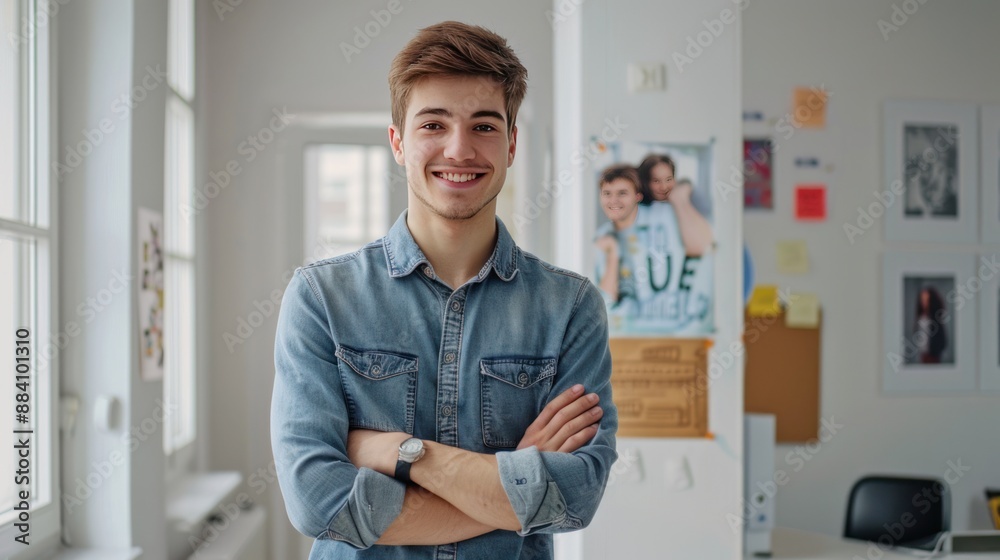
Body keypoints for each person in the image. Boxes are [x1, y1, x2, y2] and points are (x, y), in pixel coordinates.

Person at [271, 21, 618, 560]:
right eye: (434, 124)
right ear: (398, 142)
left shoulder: (570, 307)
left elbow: (576, 497)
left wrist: (402, 453)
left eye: (484, 126)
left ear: (511, 144)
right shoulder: (320, 298)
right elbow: (317, 502)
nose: (459, 150)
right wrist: (514, 489)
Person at [636, 154, 713, 257]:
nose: (664, 187)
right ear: (646, 183)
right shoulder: (639, 210)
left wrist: (679, 199)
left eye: (668, 179)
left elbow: (701, 246)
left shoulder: (686, 197)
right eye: (656, 181)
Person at [913, 286, 948, 364]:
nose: (924, 302)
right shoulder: (920, 316)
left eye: (926, 299)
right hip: (922, 353)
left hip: (933, 354)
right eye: (922, 299)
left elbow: (941, 338)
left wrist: (936, 351)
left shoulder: (936, 317)